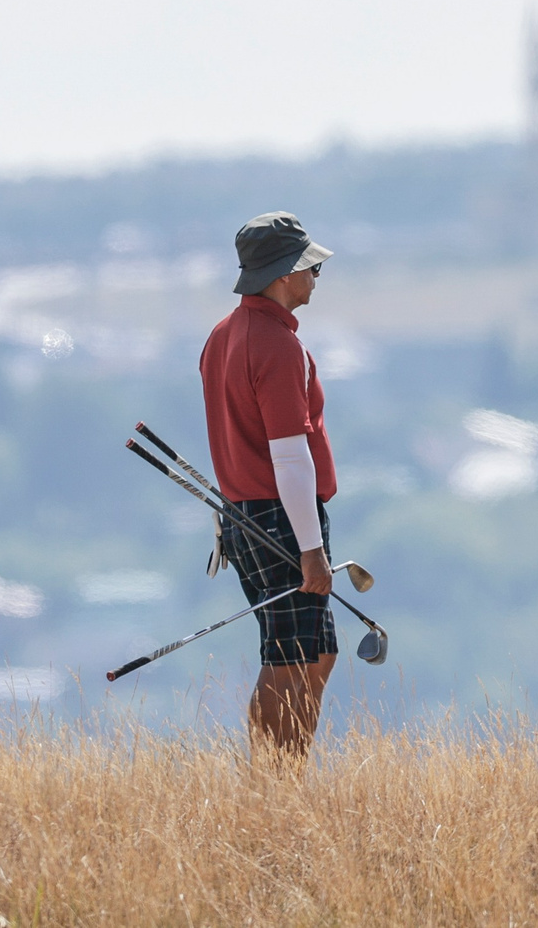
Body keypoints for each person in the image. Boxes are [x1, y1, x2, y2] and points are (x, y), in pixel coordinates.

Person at [200, 211, 340, 758]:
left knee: (316, 654)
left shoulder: (223, 335)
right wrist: (311, 550)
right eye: (310, 267)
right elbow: (289, 457)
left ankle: (287, 776)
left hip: (248, 515)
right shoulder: (278, 347)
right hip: (280, 518)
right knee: (288, 662)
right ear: (284, 274)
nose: (315, 277)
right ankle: (271, 791)